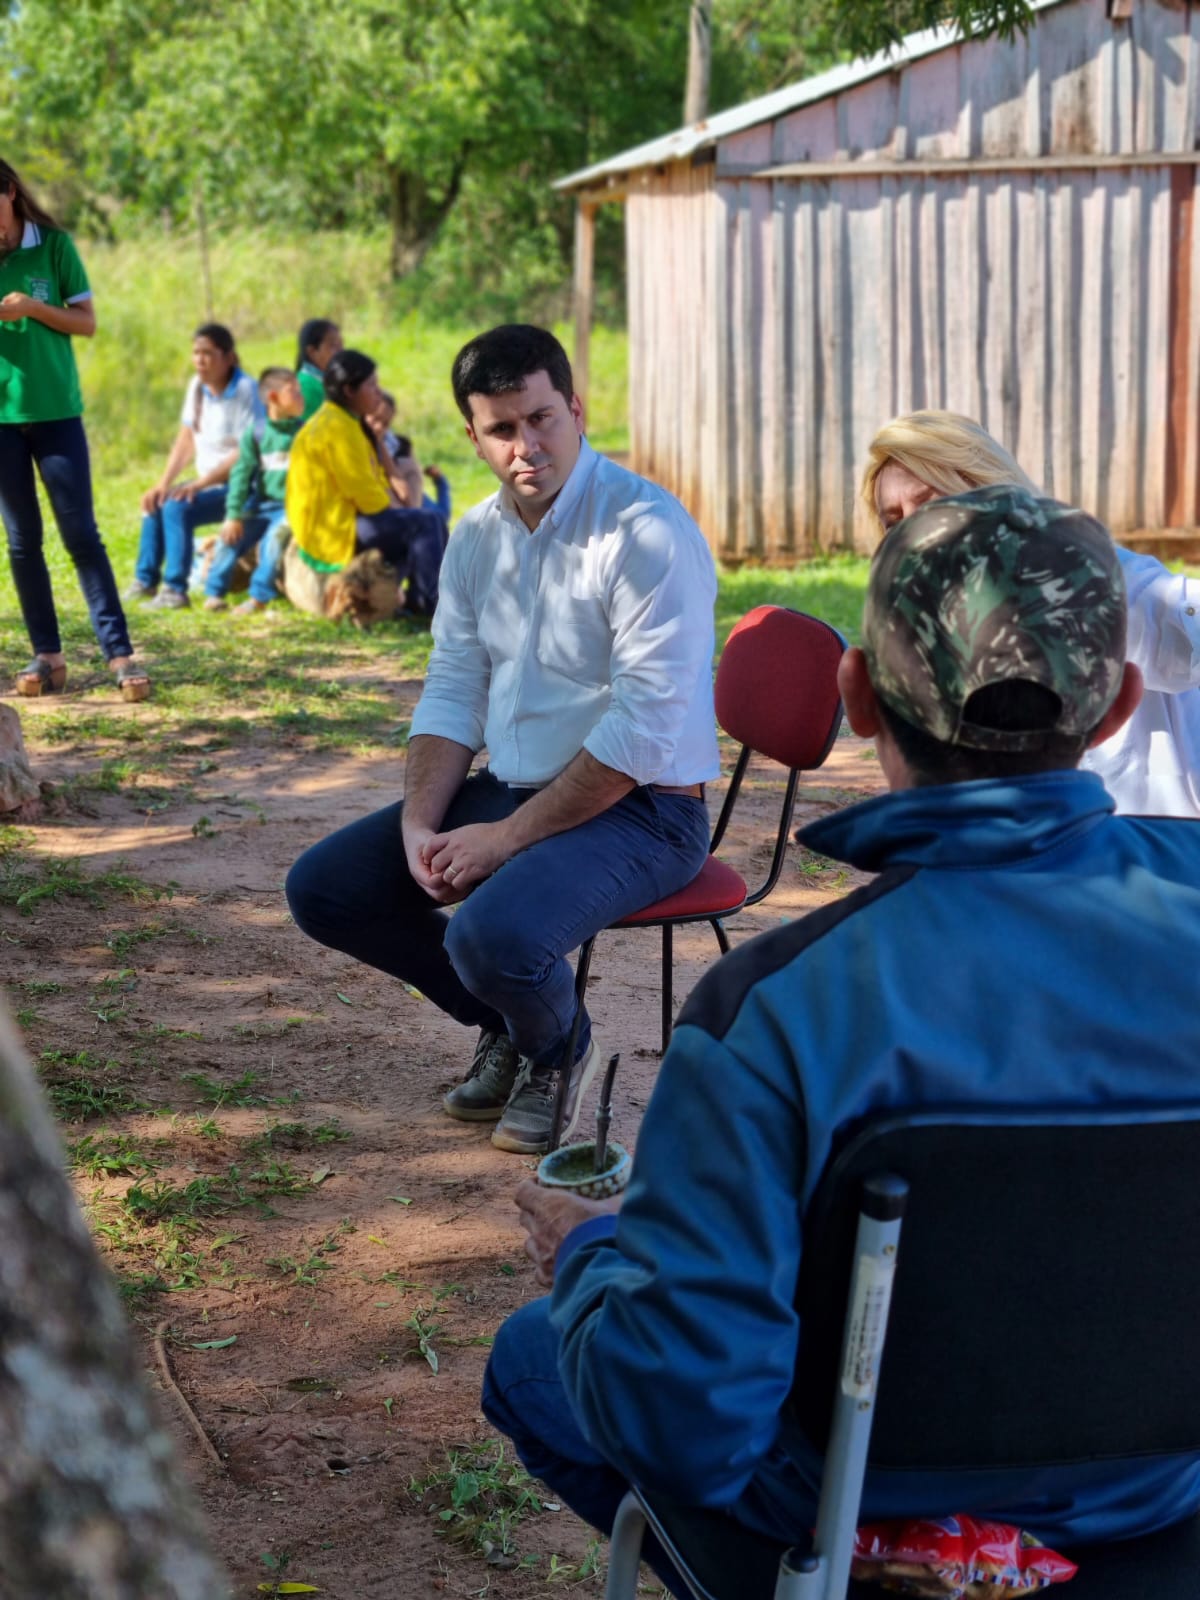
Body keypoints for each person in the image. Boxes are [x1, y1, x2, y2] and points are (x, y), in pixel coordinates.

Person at [483, 486, 1200, 1591]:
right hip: (1167, 1510)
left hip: (840, 1502)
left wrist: (591, 1255)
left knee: (535, 1358)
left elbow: (690, 1425)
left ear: (856, 696)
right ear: (1116, 712)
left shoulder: (772, 1011)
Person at [286, 324, 719, 1155]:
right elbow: (455, 684)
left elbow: (641, 730)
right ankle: (514, 1026)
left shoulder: (646, 531)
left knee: (490, 933)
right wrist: (423, 823)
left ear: (577, 408)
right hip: (519, 789)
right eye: (502, 428)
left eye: (543, 418)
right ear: (474, 435)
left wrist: (501, 842)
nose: (528, 446)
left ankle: (558, 1049)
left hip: (648, 810)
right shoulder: (478, 536)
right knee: (329, 887)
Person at [861, 408, 1200, 817]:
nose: (915, 534)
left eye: (933, 502)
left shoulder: (1091, 577)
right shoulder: (928, 642)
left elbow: (1183, 631)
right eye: (894, 521)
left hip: (1155, 862)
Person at [0, 158, 149, 701]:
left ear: (10, 193)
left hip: (56, 412)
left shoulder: (54, 245)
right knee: (22, 544)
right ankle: (48, 657)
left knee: (81, 535)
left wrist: (32, 308)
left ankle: (120, 654)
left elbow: (86, 322)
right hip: (1, 422)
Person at [283, 348, 447, 619]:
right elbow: (367, 497)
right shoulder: (338, 428)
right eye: (371, 385)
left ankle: (422, 600)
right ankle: (434, 608)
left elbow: (373, 481)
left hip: (334, 521)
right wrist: (398, 507)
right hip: (334, 528)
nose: (378, 392)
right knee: (425, 523)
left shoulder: (341, 421)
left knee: (426, 521)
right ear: (349, 390)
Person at [129, 323, 261, 610]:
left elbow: (245, 453)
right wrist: (163, 483)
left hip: (241, 488)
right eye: (196, 353)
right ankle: (145, 581)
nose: (200, 360)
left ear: (228, 358)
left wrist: (198, 485)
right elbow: (186, 439)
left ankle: (175, 590)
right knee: (158, 501)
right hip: (208, 483)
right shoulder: (197, 387)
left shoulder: (246, 390)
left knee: (177, 507)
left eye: (208, 354)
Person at [202, 366, 305, 615]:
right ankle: (214, 593)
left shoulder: (306, 433)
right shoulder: (256, 433)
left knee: (274, 540)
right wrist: (233, 514)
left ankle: (258, 597)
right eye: (294, 391)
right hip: (262, 505)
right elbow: (240, 475)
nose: (301, 397)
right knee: (229, 538)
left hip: (292, 507)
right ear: (273, 398)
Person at [295, 318, 343, 420]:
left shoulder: (328, 382)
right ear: (312, 352)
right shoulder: (306, 389)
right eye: (333, 346)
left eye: (341, 345)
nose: (341, 351)